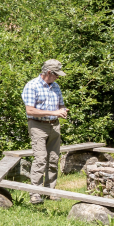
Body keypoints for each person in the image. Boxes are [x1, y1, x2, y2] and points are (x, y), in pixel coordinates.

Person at [21, 59, 68, 205]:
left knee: (53, 159)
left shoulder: (56, 86)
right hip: (38, 126)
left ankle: (50, 191)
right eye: (56, 74)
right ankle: (35, 193)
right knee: (40, 159)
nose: (58, 77)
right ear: (48, 72)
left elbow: (61, 105)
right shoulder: (32, 86)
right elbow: (30, 110)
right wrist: (54, 112)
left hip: (54, 125)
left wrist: (63, 110)